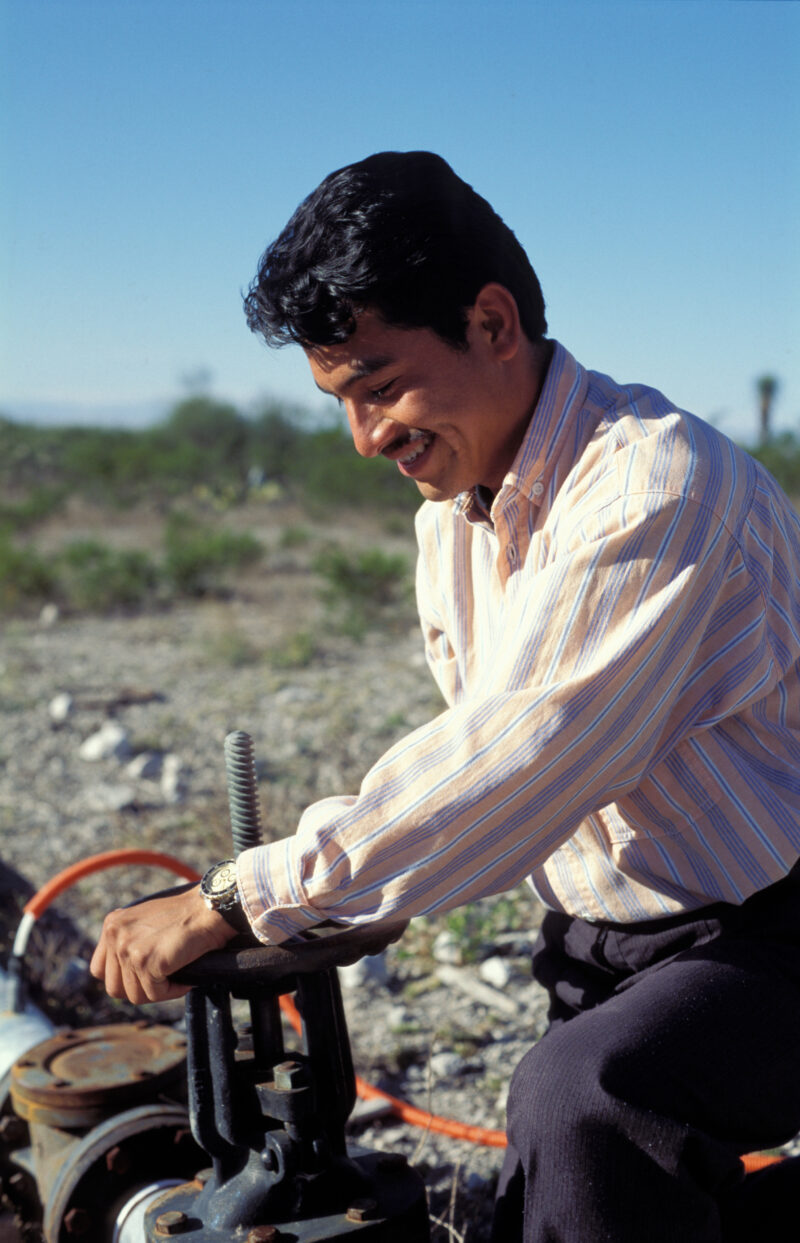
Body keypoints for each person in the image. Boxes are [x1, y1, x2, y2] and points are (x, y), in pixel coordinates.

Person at [91, 151, 800, 1242]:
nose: (367, 436)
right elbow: (473, 749)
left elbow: (520, 757)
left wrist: (233, 896)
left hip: (770, 930)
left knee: (585, 1105)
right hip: (607, 944)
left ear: (491, 321)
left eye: (381, 385)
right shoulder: (459, 512)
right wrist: (344, 887)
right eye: (341, 401)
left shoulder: (656, 489)